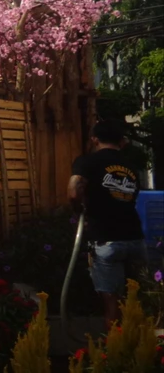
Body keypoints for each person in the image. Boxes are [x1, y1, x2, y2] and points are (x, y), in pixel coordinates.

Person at [69, 120, 146, 326]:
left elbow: (74, 190)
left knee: (112, 307)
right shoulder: (131, 165)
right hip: (135, 239)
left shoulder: (87, 162)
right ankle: (141, 350)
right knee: (136, 301)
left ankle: (115, 354)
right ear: (121, 141)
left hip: (106, 240)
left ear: (95, 139)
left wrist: (79, 212)